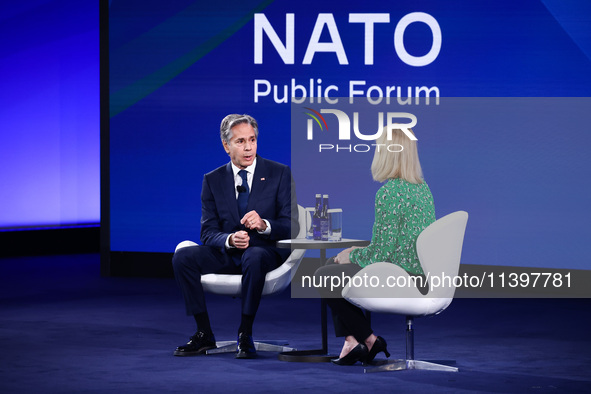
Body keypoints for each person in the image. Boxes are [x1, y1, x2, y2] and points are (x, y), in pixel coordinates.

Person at [172, 114, 298, 359]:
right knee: (183, 257)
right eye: (240, 141)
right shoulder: (212, 180)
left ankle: (245, 332)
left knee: (254, 255)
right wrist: (229, 240)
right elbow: (207, 233)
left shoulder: (279, 173)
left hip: (264, 253)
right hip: (229, 254)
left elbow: (291, 225)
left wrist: (264, 225)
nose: (248, 147)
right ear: (226, 146)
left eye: (252, 140)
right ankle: (204, 332)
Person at [314, 126, 435, 366]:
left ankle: (368, 339)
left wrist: (352, 254)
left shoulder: (389, 193)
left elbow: (382, 253)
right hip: (421, 274)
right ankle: (352, 342)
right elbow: (394, 244)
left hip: (401, 276)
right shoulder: (422, 189)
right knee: (331, 267)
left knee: (323, 276)